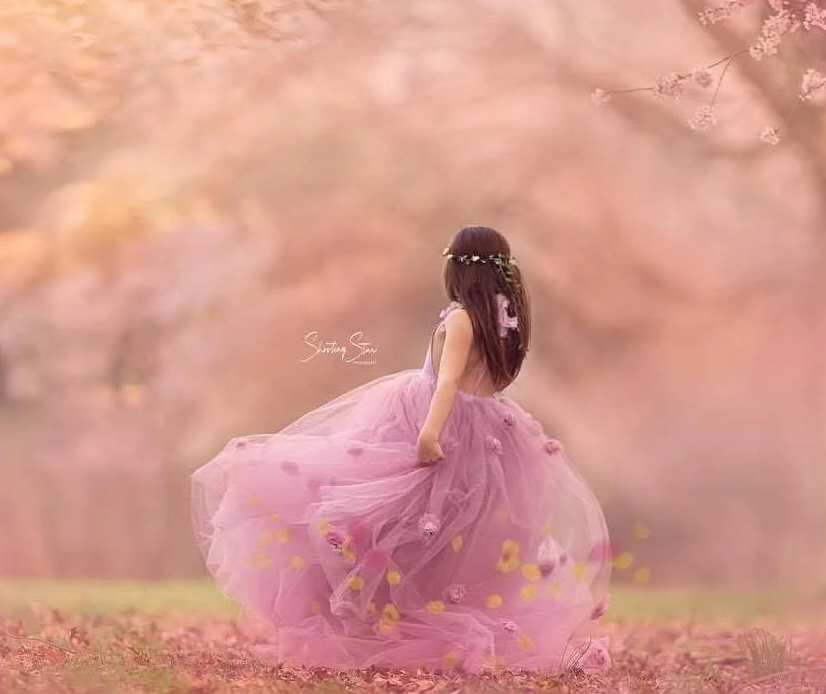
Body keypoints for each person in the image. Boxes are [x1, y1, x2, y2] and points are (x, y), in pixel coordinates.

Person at [190, 225, 612, 674]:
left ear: (455, 268)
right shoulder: (504, 319)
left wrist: (430, 433)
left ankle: (371, 621)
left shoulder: (462, 318)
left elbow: (447, 381)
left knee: (387, 517)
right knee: (453, 537)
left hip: (440, 420)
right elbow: (489, 383)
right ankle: (398, 616)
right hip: (491, 429)